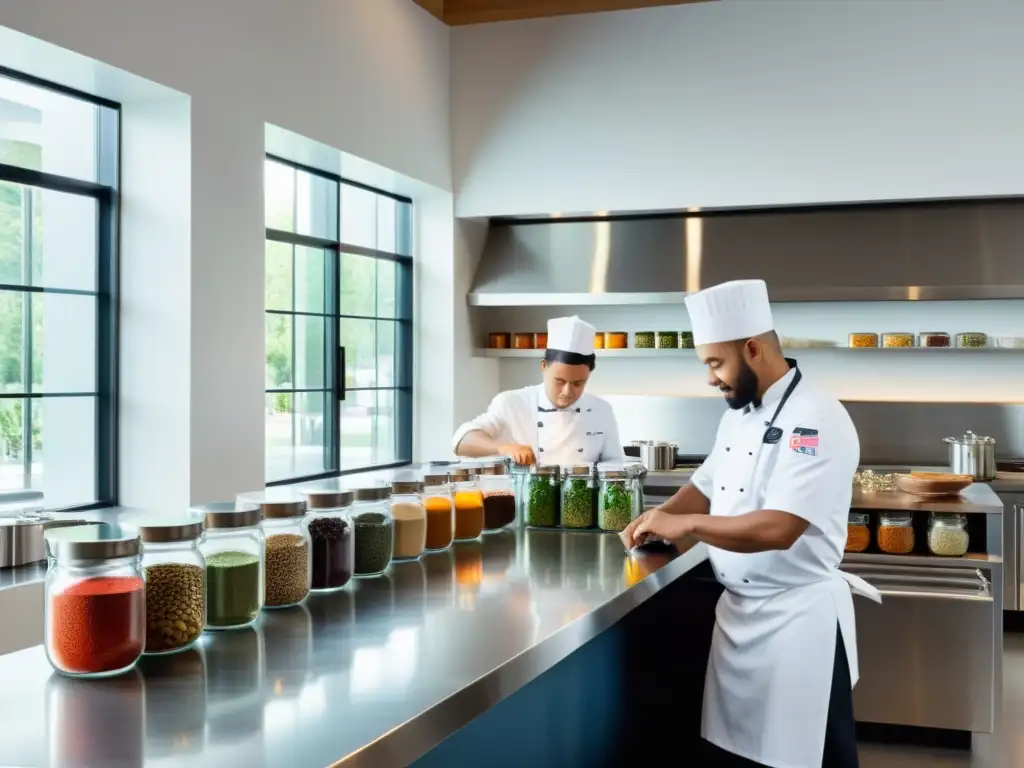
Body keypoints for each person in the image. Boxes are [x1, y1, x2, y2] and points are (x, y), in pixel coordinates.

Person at [622, 279, 880, 768]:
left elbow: (780, 527)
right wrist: (655, 521)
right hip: (739, 619)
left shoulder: (817, 417)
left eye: (715, 364)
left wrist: (691, 526)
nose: (710, 378)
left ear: (753, 349)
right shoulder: (736, 417)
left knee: (806, 757)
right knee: (736, 755)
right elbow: (703, 484)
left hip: (797, 625)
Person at [452, 315, 626, 466]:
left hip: (583, 502)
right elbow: (461, 441)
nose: (567, 391)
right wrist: (503, 448)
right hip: (524, 501)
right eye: (559, 381)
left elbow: (615, 463)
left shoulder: (601, 410)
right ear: (543, 366)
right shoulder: (511, 403)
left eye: (578, 383)